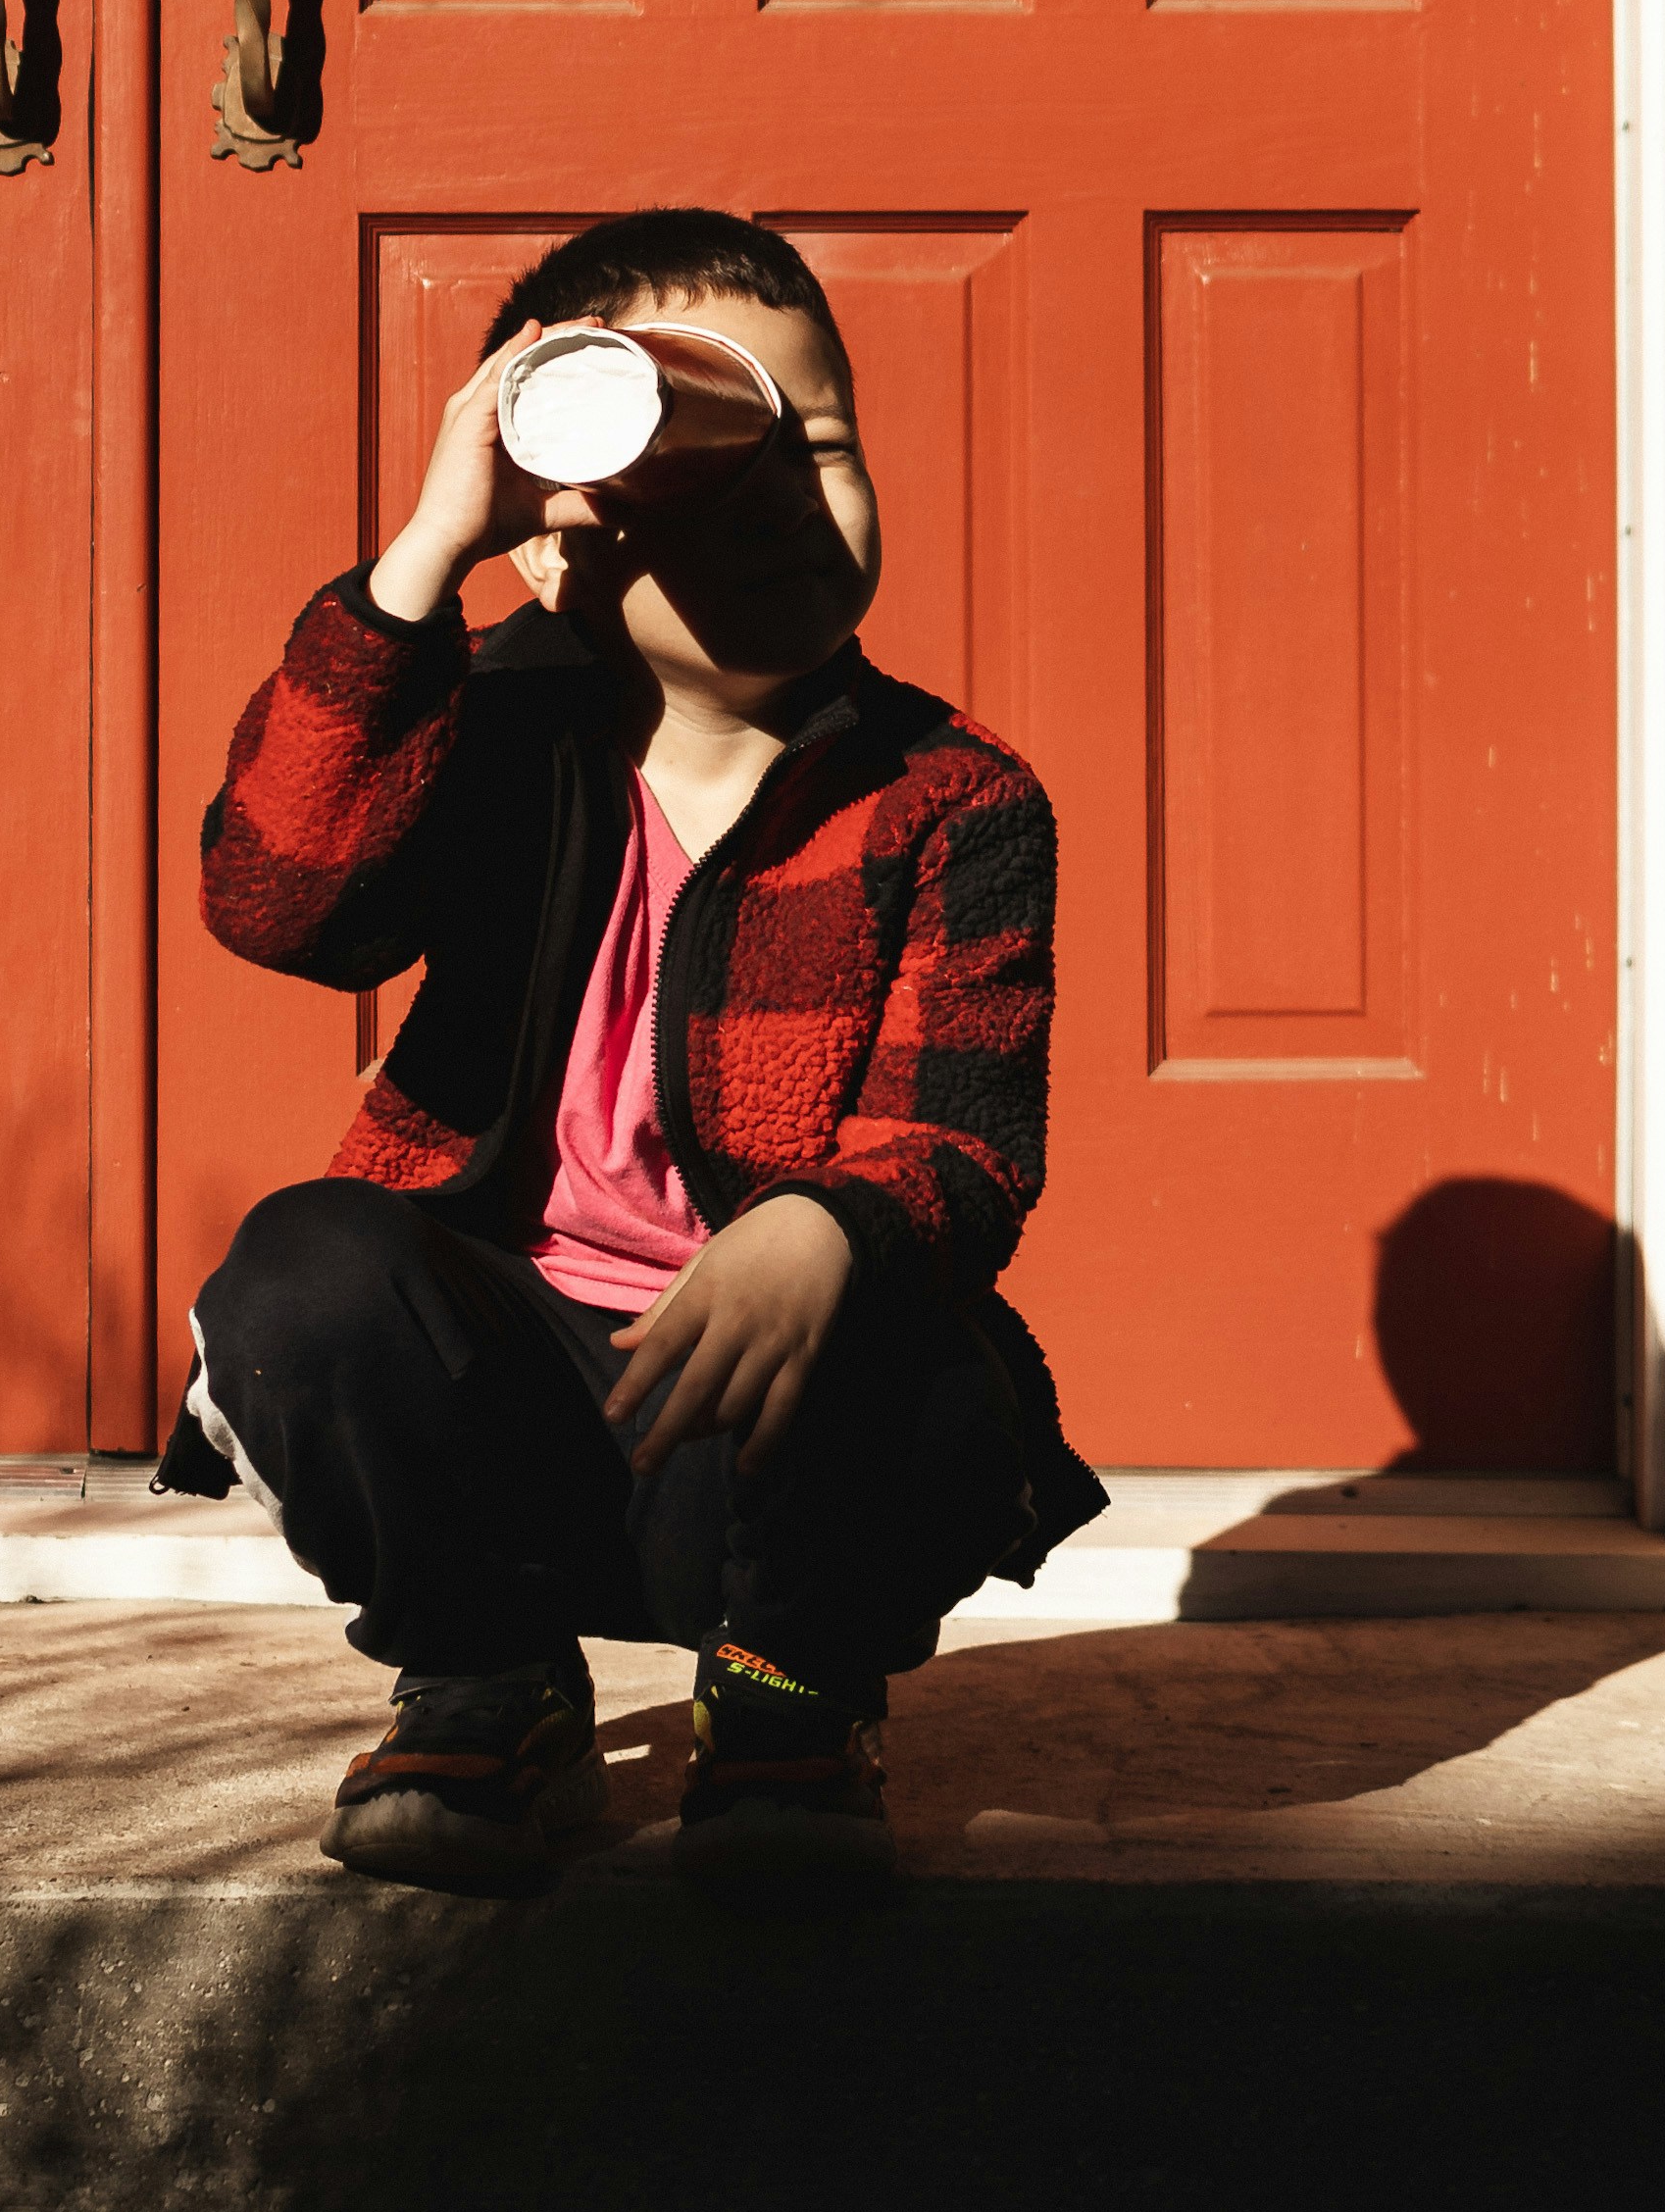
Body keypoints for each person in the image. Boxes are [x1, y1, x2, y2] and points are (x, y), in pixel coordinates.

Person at [171, 211, 1099, 1898]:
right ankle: (483, 1676)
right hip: (498, 1425)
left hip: (766, 1441)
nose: (778, 511)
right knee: (304, 1270)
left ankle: (787, 1693)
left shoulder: (953, 793)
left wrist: (824, 1229)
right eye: (696, 482)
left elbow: (964, 1138)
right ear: (556, 538)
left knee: (938, 1356)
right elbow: (277, 899)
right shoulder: (488, 736)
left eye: (814, 449)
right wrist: (419, 567)